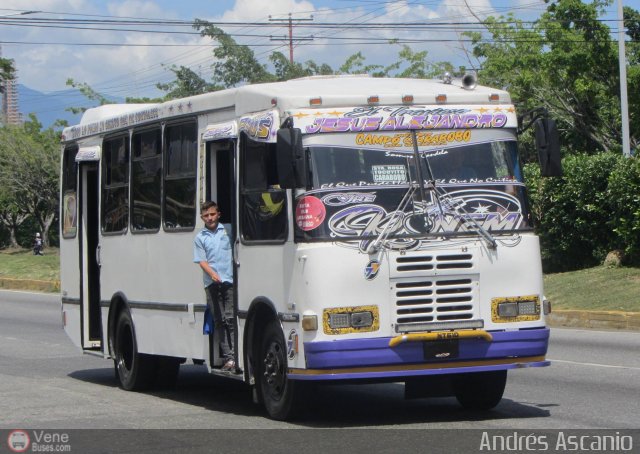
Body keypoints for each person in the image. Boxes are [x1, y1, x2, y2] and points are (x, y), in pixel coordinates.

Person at [193, 201, 236, 372]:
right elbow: (201, 260)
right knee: (219, 321)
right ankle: (229, 357)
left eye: (212, 214)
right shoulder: (200, 237)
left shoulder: (229, 230)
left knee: (231, 319)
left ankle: (235, 354)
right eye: (206, 216)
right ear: (202, 218)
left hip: (229, 281)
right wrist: (212, 273)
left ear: (218, 214)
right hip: (212, 283)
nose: (209, 218)